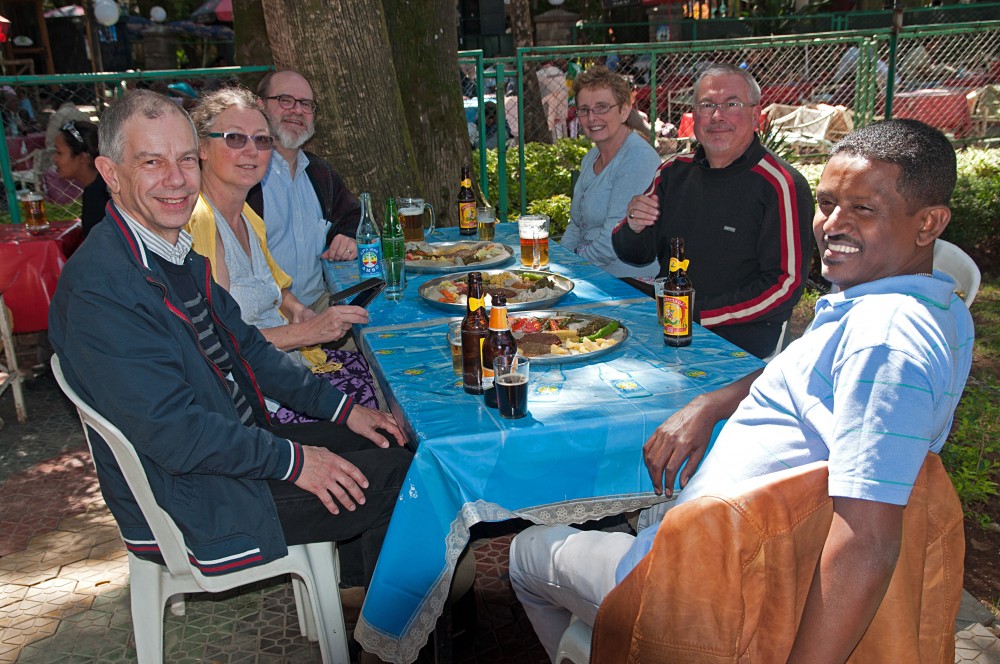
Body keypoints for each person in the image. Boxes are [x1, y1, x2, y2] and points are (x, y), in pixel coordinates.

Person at [509, 118, 974, 663]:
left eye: (864, 210)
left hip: (717, 590)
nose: (832, 225)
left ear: (929, 224)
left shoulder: (887, 342)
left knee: (526, 552)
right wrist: (712, 403)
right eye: (825, 204)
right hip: (742, 544)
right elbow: (815, 371)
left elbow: (866, 541)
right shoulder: (922, 304)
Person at [48, 91, 411, 632]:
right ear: (111, 173)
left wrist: (343, 411)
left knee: (392, 438)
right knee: (407, 478)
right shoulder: (104, 288)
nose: (175, 178)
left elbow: (250, 349)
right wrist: (296, 461)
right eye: (152, 161)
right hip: (194, 496)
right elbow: (175, 434)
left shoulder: (168, 253)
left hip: (231, 451)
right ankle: (387, 634)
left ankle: (357, 596)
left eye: (185, 160)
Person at [187, 87, 380, 421]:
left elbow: (276, 289)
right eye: (235, 138)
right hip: (257, 404)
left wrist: (299, 311)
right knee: (397, 418)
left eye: (262, 140)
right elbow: (217, 343)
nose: (251, 150)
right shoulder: (199, 221)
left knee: (399, 382)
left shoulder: (247, 218)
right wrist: (307, 331)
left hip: (290, 371)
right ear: (202, 147)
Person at [613, 63, 814, 359]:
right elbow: (634, 253)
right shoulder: (672, 171)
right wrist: (634, 226)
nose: (717, 116)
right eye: (707, 105)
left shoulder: (780, 184)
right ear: (694, 116)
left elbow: (785, 287)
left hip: (739, 340)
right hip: (669, 325)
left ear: (756, 115)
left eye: (732, 104)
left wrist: (699, 313)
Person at [247, 70, 360, 311]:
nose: (297, 110)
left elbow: (357, 215)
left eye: (306, 104)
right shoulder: (244, 175)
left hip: (320, 306)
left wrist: (349, 237)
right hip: (263, 318)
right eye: (285, 100)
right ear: (260, 106)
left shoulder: (318, 172)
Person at [560, 66, 661, 281]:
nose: (591, 117)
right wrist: (560, 261)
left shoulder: (637, 159)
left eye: (602, 108)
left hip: (626, 282)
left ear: (624, 110)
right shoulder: (591, 157)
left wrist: (573, 267)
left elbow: (612, 240)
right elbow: (576, 225)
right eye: (584, 109)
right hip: (592, 271)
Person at [51, 120, 110, 239]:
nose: (54, 158)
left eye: (59, 152)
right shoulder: (104, 184)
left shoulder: (97, 194)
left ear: (82, 157)